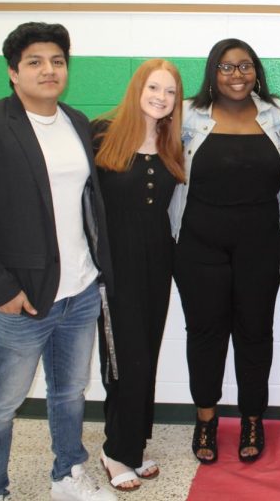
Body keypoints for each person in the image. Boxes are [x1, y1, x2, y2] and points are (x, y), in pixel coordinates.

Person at [0, 22, 116, 501]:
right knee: (0, 405)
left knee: (68, 394)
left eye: (57, 61)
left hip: (78, 291)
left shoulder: (77, 121)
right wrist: (1, 290)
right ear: (13, 71)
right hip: (19, 297)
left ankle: (67, 476)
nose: (49, 69)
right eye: (35, 61)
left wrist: (97, 271)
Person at [168, 39, 280, 466]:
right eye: (226, 67)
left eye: (245, 66)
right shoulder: (186, 113)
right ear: (211, 73)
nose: (237, 75)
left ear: (256, 72)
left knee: (255, 333)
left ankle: (253, 418)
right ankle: (206, 418)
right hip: (198, 242)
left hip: (261, 242)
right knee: (205, 334)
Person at [92, 59, 185, 491]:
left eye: (170, 92)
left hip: (157, 263)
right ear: (137, 88)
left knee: (145, 354)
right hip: (115, 266)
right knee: (122, 360)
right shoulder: (100, 134)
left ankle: (134, 445)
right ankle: (114, 452)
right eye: (154, 87)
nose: (161, 97)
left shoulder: (170, 142)